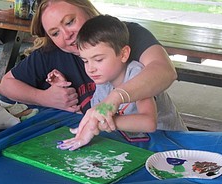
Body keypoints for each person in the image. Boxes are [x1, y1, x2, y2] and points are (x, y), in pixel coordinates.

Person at [0, 0, 177, 136]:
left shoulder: (121, 35)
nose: (67, 35)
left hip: (165, 138)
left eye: (69, 22)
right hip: (117, 140)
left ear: (87, 10)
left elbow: (164, 71)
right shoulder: (51, 52)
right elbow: (6, 85)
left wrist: (116, 98)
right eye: (55, 33)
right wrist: (45, 98)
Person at [50, 15, 186, 150]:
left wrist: (102, 122)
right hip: (141, 144)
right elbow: (100, 111)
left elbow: (148, 122)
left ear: (124, 54)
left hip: (173, 142)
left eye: (98, 59)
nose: (90, 69)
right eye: (85, 61)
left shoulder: (136, 74)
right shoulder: (102, 82)